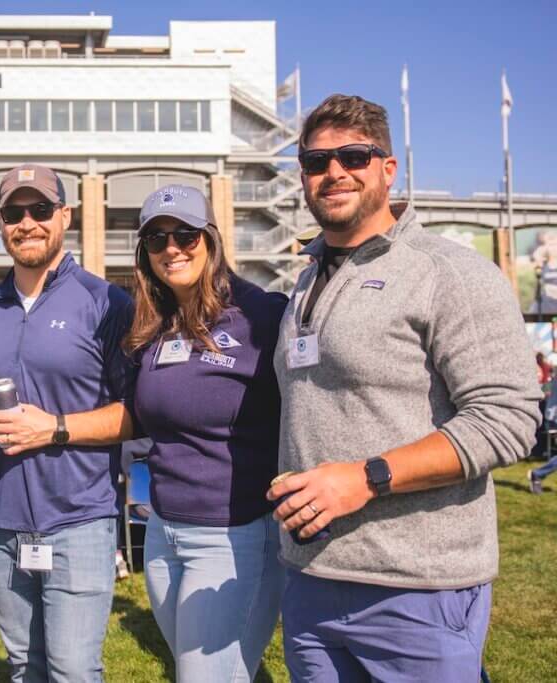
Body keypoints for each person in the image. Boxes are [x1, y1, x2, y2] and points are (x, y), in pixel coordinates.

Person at [267, 94, 540, 681]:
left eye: (354, 156)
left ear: (388, 169)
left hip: (416, 589)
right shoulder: (306, 277)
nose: (333, 172)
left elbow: (509, 416)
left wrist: (367, 477)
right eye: (316, 162)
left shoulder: (450, 272)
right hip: (312, 579)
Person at [0, 164, 137, 682]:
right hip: (1, 522)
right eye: (14, 213)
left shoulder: (106, 302)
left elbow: (138, 414)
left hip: (78, 519)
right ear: (0, 222)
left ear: (65, 215)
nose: (28, 223)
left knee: (73, 671)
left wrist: (56, 428)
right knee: (24, 667)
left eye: (40, 209)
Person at [124, 184, 285, 681]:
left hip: (234, 535)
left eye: (185, 235)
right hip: (163, 529)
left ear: (210, 240)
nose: (172, 248)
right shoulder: (156, 324)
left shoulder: (263, 315)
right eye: (156, 239)